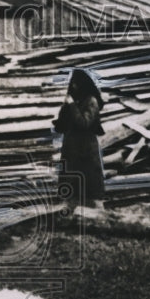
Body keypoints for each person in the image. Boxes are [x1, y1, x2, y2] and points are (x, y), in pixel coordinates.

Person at [53, 68, 106, 208]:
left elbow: (84, 123)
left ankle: (100, 212)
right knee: (69, 180)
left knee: (92, 182)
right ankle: (66, 212)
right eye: (72, 83)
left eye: (76, 83)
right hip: (72, 149)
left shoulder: (91, 101)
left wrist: (71, 105)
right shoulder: (75, 100)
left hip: (86, 148)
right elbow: (61, 125)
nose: (73, 86)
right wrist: (65, 108)